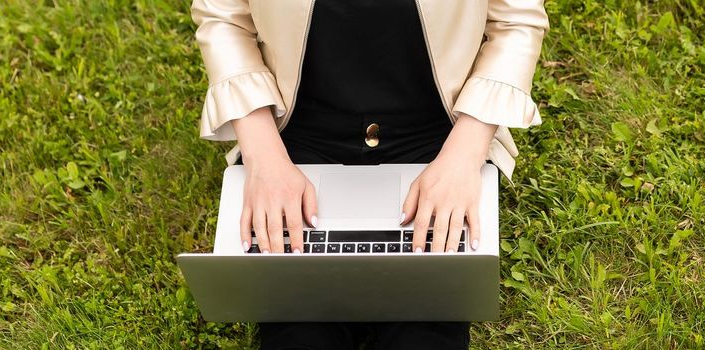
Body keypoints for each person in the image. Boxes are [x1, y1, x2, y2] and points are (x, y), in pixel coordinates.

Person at [190, 0, 548, 348]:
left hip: (439, 139)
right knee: (299, 330)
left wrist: (464, 156)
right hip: (295, 140)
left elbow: (516, 22)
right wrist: (264, 156)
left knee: (426, 331)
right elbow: (224, 18)